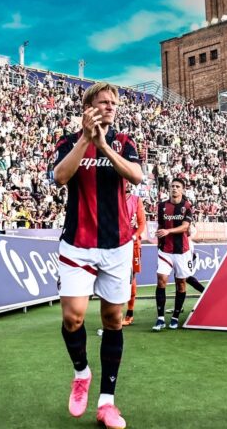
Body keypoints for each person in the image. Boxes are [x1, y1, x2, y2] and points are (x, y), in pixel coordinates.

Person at [54, 82, 142, 429]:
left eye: (113, 103)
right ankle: (81, 373)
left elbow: (135, 175)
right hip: (77, 243)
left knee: (112, 321)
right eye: (103, 102)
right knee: (73, 317)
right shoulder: (66, 141)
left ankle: (107, 403)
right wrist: (85, 141)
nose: (110, 107)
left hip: (117, 245)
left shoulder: (124, 142)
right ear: (87, 107)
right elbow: (60, 177)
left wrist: (103, 145)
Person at [152, 177, 193, 331]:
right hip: (165, 251)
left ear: (182, 190)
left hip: (182, 251)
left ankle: (175, 317)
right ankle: (160, 318)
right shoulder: (162, 206)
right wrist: (159, 238)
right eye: (172, 186)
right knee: (161, 280)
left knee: (181, 283)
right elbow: (161, 226)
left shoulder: (187, 206)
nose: (174, 189)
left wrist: (168, 231)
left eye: (177, 186)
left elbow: (184, 227)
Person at [121, 183, 146, 326]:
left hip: (133, 244)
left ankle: (129, 313)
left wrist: (134, 236)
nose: (128, 183)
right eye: (125, 180)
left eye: (129, 180)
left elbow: (142, 224)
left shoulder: (136, 200)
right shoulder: (113, 199)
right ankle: (116, 311)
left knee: (132, 276)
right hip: (117, 244)